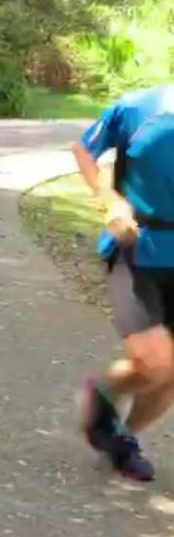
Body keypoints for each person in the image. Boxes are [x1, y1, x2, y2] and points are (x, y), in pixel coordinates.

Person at [75, 85, 174, 482]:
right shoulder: (138, 108)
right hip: (138, 249)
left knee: (170, 373)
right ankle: (100, 390)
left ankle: (124, 438)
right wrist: (109, 201)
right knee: (154, 361)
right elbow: (84, 151)